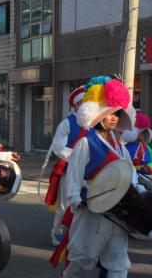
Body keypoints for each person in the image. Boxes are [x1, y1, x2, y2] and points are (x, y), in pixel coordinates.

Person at [60, 76, 146, 278]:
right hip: (93, 208)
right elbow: (74, 175)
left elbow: (129, 172)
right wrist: (75, 199)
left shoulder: (120, 145)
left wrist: (139, 191)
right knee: (82, 258)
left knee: (118, 262)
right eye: (109, 114)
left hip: (119, 211)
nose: (114, 118)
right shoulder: (86, 142)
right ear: (98, 115)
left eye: (117, 114)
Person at [44, 86, 86, 246]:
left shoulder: (95, 124)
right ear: (74, 105)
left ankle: (77, 234)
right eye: (81, 102)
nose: (84, 106)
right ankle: (57, 232)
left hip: (88, 172)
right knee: (64, 204)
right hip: (69, 170)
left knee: (84, 205)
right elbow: (59, 148)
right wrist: (79, 157)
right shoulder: (67, 123)